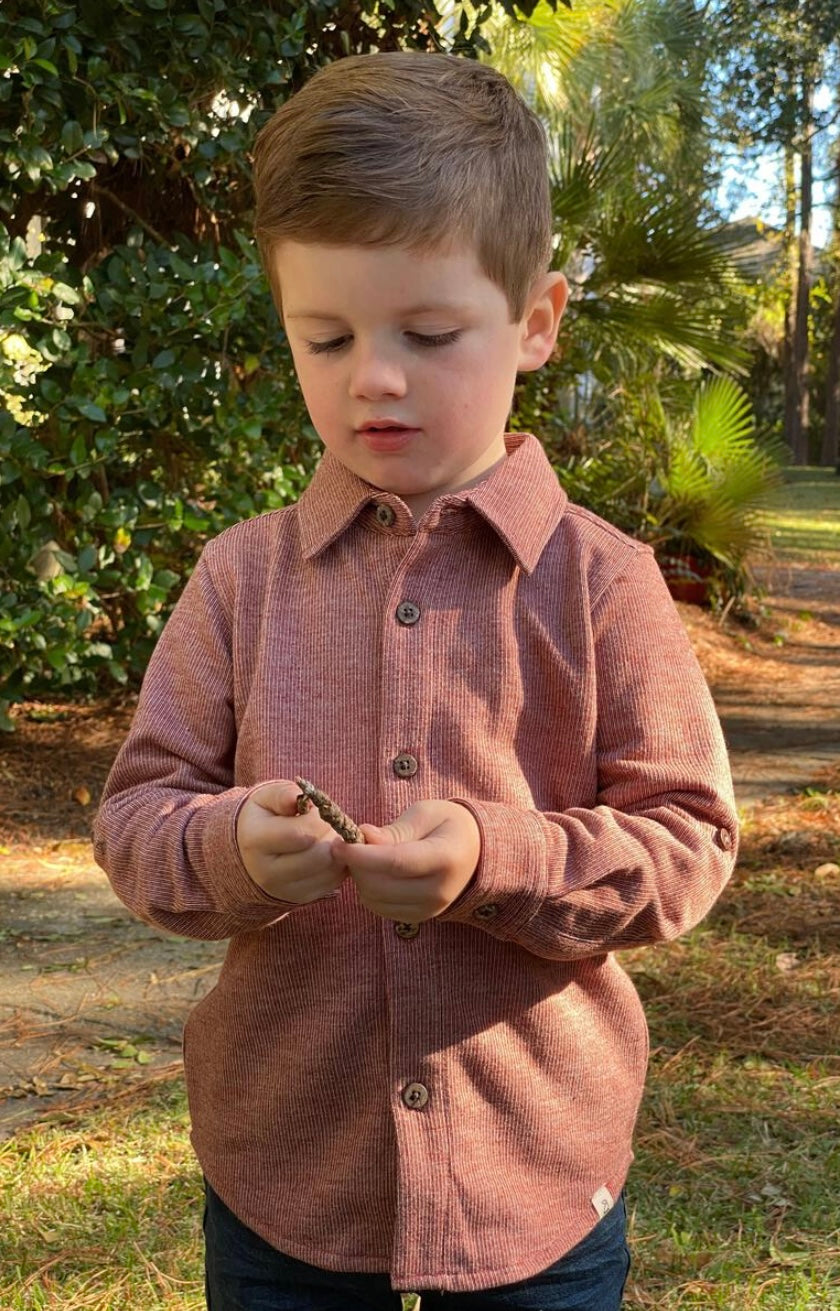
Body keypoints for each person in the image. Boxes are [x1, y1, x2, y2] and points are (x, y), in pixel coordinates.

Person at [93, 50, 738, 1311]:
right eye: (322, 336)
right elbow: (135, 821)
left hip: (534, 1195)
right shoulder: (240, 579)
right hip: (283, 1185)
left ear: (537, 321)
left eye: (426, 334)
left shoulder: (602, 584)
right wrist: (232, 848)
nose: (371, 375)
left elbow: (688, 841)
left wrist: (496, 861)